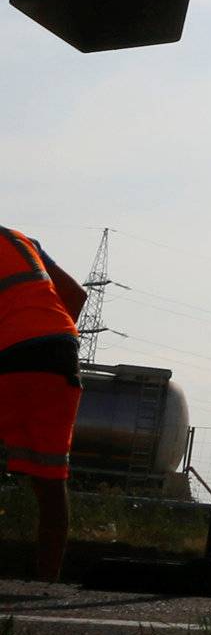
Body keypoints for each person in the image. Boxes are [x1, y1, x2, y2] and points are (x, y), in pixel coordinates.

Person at [0, 226, 87, 581]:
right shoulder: (21, 241)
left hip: (9, 355)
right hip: (59, 354)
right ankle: (47, 581)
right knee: (51, 479)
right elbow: (75, 295)